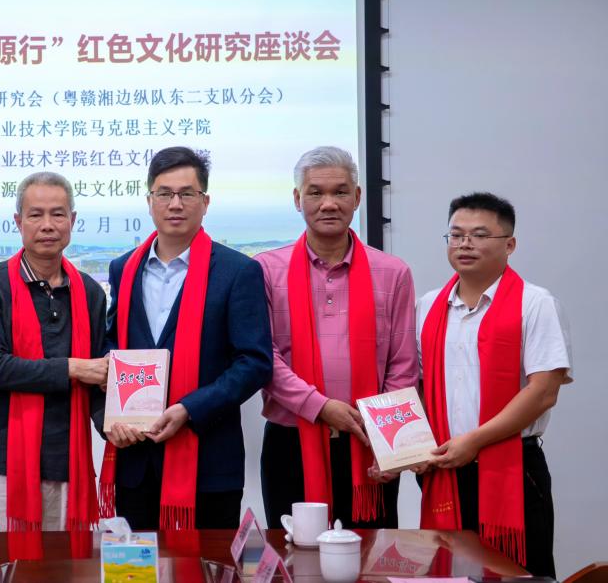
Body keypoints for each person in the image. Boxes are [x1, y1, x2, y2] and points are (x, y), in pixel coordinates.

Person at [96, 146, 273, 531]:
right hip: (136, 460)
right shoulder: (123, 268)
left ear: (205, 202)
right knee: (138, 564)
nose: (175, 204)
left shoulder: (237, 271)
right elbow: (110, 348)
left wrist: (189, 409)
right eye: (164, 193)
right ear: (149, 201)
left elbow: (254, 362)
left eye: (186, 193)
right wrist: (109, 418)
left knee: (206, 563)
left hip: (208, 461)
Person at [255, 146, 417, 528]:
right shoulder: (265, 270)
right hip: (290, 442)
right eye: (315, 192)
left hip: (369, 443)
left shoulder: (392, 272)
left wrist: (390, 442)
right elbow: (263, 358)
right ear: (298, 199)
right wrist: (319, 406)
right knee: (295, 551)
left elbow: (403, 365)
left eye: (340, 192)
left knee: (372, 552)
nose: (328, 203)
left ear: (357, 197)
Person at [417, 192, 571, 577]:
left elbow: (543, 391)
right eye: (456, 235)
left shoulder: (535, 303)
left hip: (512, 468)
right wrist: (407, 449)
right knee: (450, 571)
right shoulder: (428, 306)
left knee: (520, 573)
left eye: (480, 235)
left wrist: (474, 441)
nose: (465, 244)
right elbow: (417, 385)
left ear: (510, 244)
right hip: (445, 469)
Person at [0, 172, 107, 532]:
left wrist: (119, 423)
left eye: (58, 214)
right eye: (35, 214)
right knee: (6, 560)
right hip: (0, 463)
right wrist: (73, 368)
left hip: (68, 460)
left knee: (67, 561)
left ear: (72, 220)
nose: (47, 225)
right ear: (18, 222)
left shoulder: (90, 293)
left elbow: (98, 377)